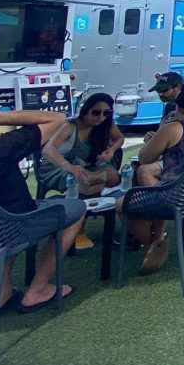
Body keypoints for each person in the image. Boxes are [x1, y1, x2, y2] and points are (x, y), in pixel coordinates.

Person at [0, 109, 86, 314]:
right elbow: (57, 118)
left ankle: (2, 291)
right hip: (17, 227)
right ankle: (38, 289)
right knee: (77, 209)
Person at [120, 87, 184, 274]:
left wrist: (156, 139)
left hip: (178, 197)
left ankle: (154, 244)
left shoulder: (173, 128)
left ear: (177, 106)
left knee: (121, 205)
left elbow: (144, 157)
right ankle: (158, 236)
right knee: (148, 175)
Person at [37, 92, 124, 250]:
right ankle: (77, 227)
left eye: (107, 113)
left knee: (112, 177)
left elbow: (119, 138)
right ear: (86, 109)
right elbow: (48, 151)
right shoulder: (70, 126)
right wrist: (69, 167)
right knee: (84, 182)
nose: (101, 117)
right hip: (57, 165)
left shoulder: (106, 124)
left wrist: (111, 151)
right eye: (96, 112)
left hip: (86, 165)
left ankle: (95, 196)